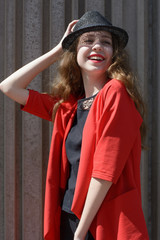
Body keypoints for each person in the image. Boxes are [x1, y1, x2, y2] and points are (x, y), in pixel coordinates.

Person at [0, 11, 149, 240]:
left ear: (113, 54)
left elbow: (105, 172)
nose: (97, 46)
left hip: (100, 222)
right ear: (75, 52)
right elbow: (9, 87)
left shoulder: (115, 93)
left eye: (105, 42)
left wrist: (80, 232)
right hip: (68, 217)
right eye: (88, 41)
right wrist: (58, 50)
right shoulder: (69, 106)